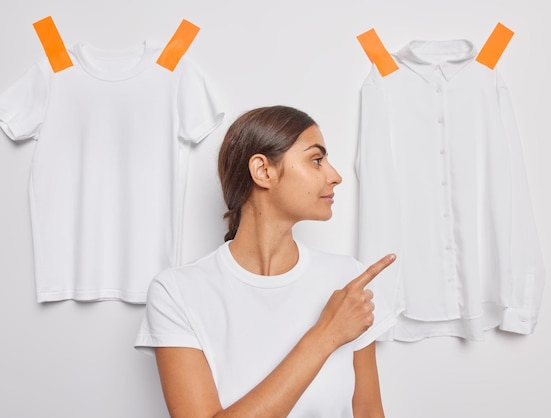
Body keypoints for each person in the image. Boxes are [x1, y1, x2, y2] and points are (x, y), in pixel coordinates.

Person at [135, 105, 396, 417]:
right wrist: (327, 334)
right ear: (263, 171)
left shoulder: (348, 279)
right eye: (316, 160)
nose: (335, 176)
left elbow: (367, 410)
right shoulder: (177, 291)